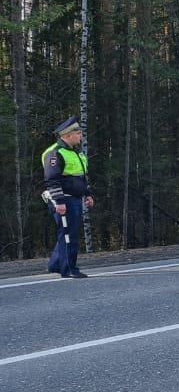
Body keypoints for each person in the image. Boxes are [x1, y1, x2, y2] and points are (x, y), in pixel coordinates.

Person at [41, 117, 94, 278]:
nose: (81, 136)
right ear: (67, 135)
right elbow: (52, 180)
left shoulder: (75, 152)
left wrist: (87, 194)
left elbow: (81, 176)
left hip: (74, 199)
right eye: (78, 133)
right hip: (63, 199)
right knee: (68, 235)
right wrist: (59, 202)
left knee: (67, 233)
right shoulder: (55, 153)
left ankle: (56, 264)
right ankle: (68, 269)